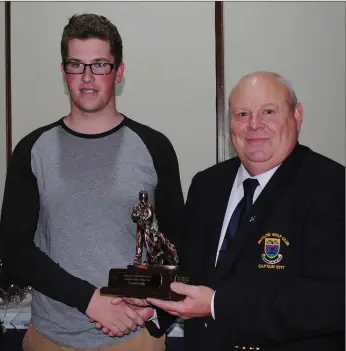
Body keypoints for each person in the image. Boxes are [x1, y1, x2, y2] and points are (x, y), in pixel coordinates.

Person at [0, 13, 184, 351]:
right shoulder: (32, 149)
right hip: (50, 338)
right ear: (63, 72)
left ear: (119, 72)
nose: (87, 78)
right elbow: (16, 251)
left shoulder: (154, 147)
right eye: (76, 65)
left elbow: (179, 245)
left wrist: (153, 316)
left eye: (100, 65)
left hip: (135, 337)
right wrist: (89, 300)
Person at [142, 71, 345, 350]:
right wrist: (151, 308)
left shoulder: (331, 186)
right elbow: (190, 271)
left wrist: (216, 305)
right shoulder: (207, 185)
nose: (254, 125)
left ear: (297, 116)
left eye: (269, 111)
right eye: (242, 114)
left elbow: (331, 301)